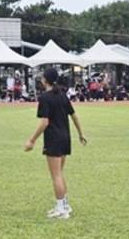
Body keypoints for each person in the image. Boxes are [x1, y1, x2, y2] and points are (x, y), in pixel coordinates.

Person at [24, 68, 87, 220]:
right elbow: (74, 116)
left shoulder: (45, 98)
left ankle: (61, 209)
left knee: (56, 175)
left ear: (45, 80)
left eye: (42, 78)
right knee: (59, 173)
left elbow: (44, 122)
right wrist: (80, 134)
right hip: (65, 137)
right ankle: (64, 205)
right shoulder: (63, 96)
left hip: (54, 138)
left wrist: (32, 140)